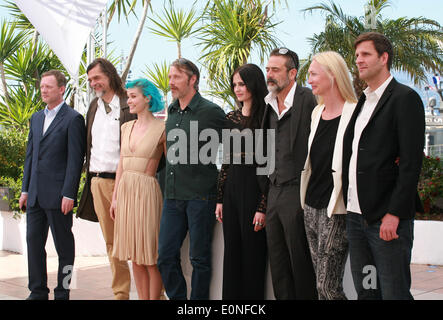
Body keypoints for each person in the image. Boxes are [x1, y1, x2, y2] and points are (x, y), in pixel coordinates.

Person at [342, 32, 425, 300]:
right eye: (356, 56)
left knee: (394, 293)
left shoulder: (405, 98)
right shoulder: (363, 101)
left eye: (365, 54)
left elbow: (411, 163)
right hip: (356, 217)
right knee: (367, 291)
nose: (359, 61)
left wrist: (395, 213)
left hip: (385, 220)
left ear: (384, 58)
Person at [157, 58, 226, 300]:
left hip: (201, 196)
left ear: (192, 79)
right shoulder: (172, 111)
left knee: (199, 259)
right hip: (173, 196)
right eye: (170, 77)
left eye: (176, 77)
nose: (171, 82)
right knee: (165, 256)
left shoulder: (212, 112)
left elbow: (231, 150)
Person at [19, 70, 86, 300]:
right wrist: (25, 189)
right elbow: (31, 156)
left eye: (48, 87)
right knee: (33, 244)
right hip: (36, 195)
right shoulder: (36, 118)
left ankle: (64, 292)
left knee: (65, 249)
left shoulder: (74, 119)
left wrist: (69, 193)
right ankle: (37, 291)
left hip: (59, 196)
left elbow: (75, 160)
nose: (43, 91)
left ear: (61, 89)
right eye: (42, 87)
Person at [258, 47, 318, 300]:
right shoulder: (268, 103)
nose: (269, 74)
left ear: (292, 73)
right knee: (279, 264)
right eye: (268, 69)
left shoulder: (309, 99)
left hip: (299, 191)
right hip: (274, 191)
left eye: (275, 70)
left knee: (300, 263)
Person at [300, 51, 357, 300]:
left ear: (333, 75)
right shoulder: (317, 112)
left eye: (313, 74)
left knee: (328, 287)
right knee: (320, 285)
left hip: (336, 209)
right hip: (310, 206)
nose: (309, 80)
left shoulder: (355, 112)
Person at [77, 58, 135, 300]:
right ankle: (120, 294)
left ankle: (156, 294)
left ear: (109, 75)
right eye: (90, 80)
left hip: (126, 182)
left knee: (138, 242)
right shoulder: (93, 107)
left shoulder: (128, 104)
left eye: (97, 78)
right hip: (97, 182)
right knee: (111, 243)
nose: (93, 83)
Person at [215, 64, 268, 300]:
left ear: (254, 84)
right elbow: (226, 161)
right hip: (232, 191)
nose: (237, 88)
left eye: (242, 84)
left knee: (254, 255)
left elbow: (269, 164)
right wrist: (220, 199)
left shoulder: (268, 116)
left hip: (256, 189)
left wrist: (263, 206)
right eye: (235, 84)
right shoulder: (231, 118)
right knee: (232, 253)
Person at [109, 79, 165, 300]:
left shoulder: (163, 128)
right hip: (125, 193)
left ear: (147, 98)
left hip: (148, 192)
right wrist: (115, 198)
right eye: (128, 96)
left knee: (150, 255)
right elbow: (121, 164)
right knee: (134, 255)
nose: (128, 101)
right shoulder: (126, 127)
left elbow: (172, 167)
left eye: (133, 96)